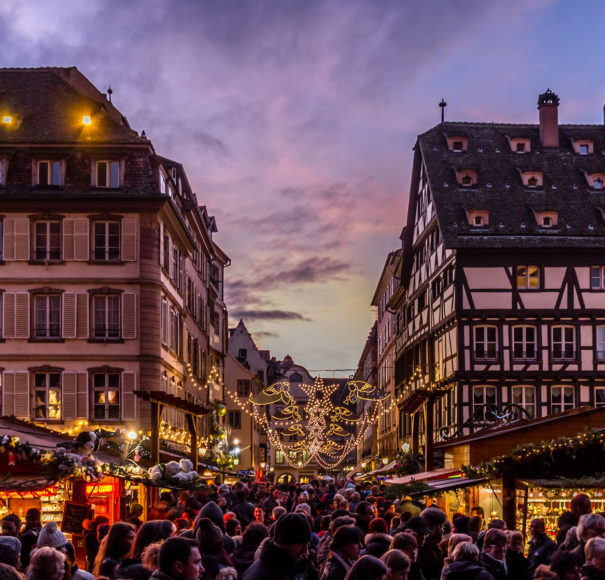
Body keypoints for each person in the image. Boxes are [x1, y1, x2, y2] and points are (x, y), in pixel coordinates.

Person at [243, 512, 314, 580]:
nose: (306, 550)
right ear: (285, 541)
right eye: (302, 544)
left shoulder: (301, 564)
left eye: (307, 544)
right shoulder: (258, 576)